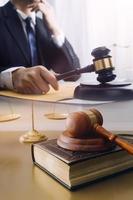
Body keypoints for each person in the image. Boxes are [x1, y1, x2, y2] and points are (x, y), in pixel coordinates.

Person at [0, 0, 80, 94]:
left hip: (44, 105)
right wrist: (12, 76)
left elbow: (73, 74)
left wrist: (54, 28)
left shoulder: (45, 24)